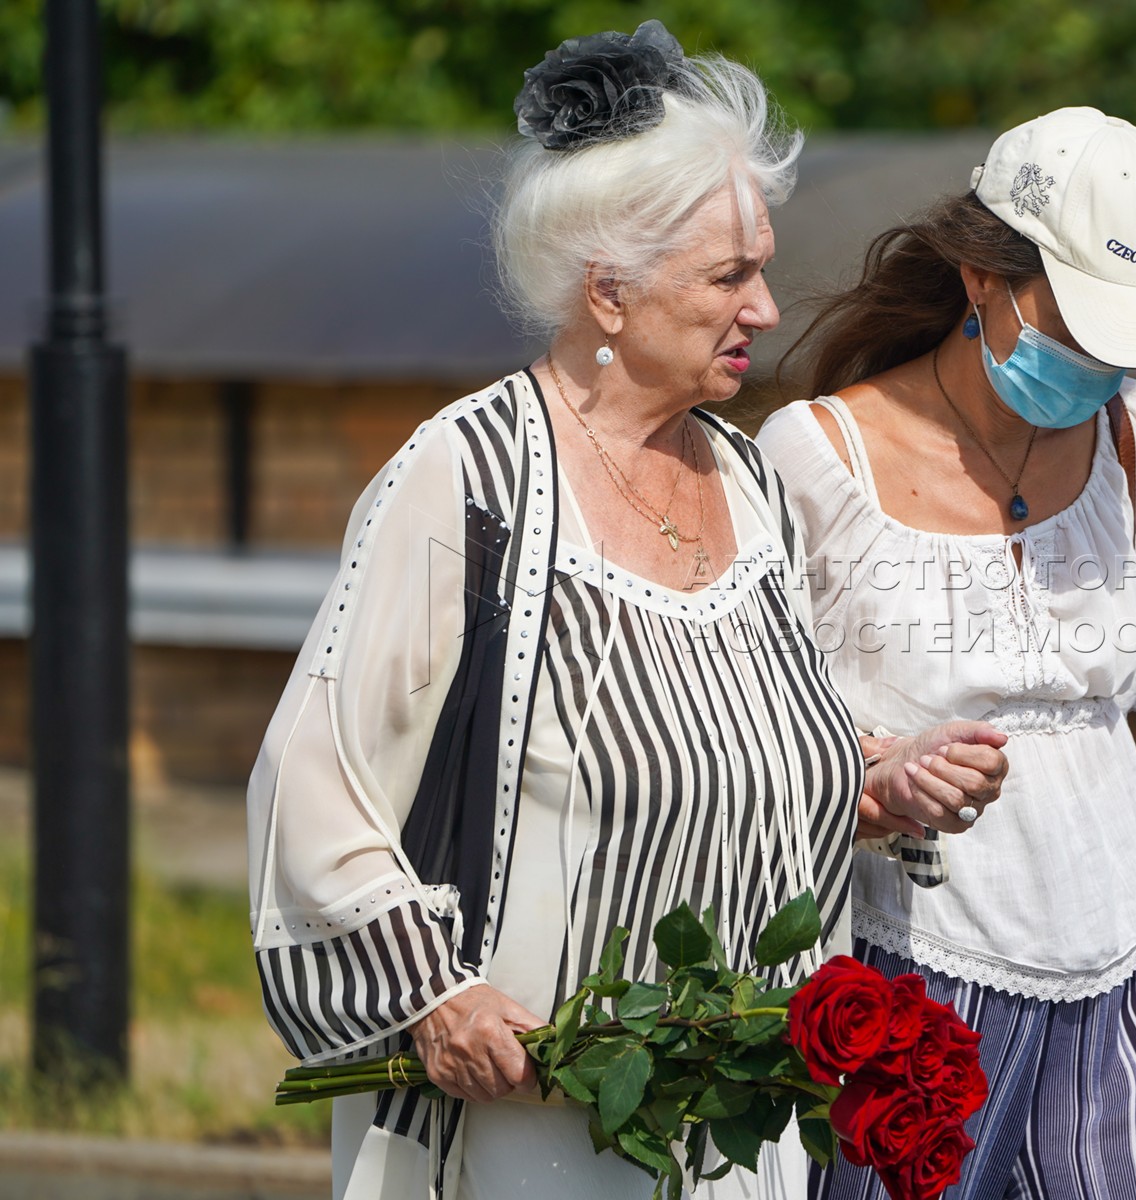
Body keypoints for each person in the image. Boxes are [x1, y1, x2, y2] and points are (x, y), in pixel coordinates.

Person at [246, 24, 1005, 1200]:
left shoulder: (748, 481)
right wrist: (434, 993)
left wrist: (876, 777)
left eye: (760, 266)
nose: (764, 304)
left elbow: (739, 743)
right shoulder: (469, 480)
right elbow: (316, 778)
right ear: (609, 289)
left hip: (740, 1131)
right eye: (727, 276)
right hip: (531, 1119)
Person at [758, 107, 1136, 1199]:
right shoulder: (814, 458)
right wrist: (880, 761)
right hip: (912, 977)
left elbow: (1119, 696)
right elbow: (750, 727)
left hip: (1133, 962)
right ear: (982, 278)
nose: (1105, 359)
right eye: (1081, 318)